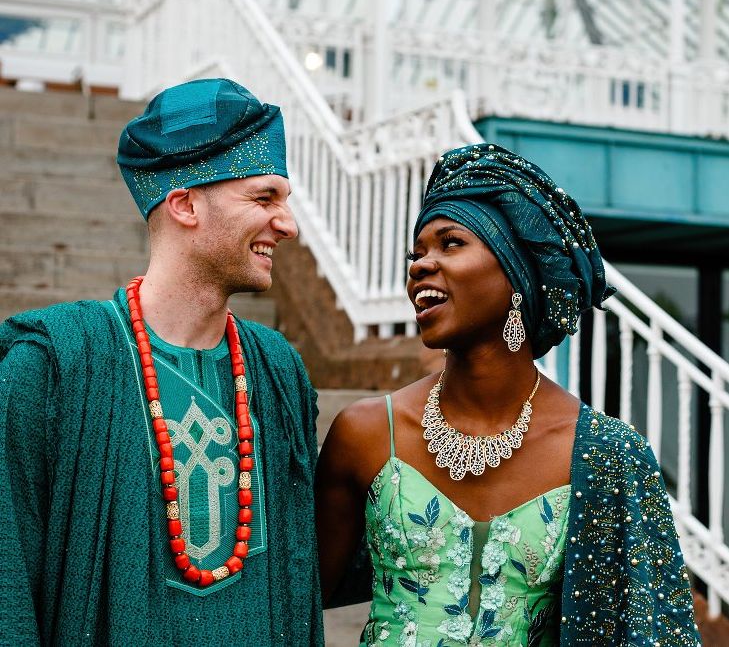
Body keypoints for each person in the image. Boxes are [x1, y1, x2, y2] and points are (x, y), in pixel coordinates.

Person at [316, 143, 700, 646]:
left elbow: (654, 630)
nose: (420, 265)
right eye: (417, 253)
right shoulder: (364, 433)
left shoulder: (607, 456)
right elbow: (289, 596)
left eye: (450, 243)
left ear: (518, 271)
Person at [0, 78, 322, 645]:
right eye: (264, 198)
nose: (288, 224)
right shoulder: (48, 371)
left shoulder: (278, 370)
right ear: (184, 204)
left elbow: (299, 570)